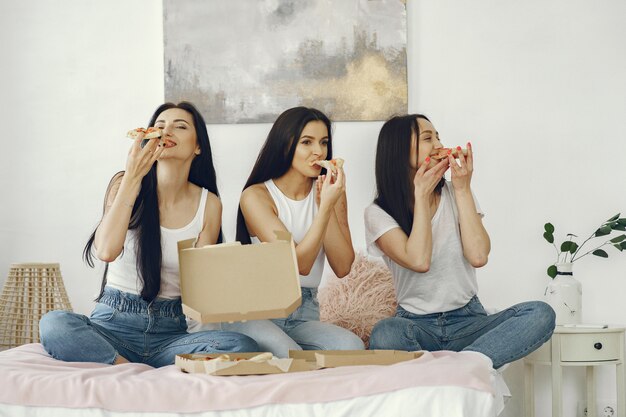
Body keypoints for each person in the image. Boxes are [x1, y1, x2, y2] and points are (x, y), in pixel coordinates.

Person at [39, 102, 258, 367]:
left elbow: (198, 290)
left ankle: (123, 367)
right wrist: (133, 177)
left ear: (198, 146)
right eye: (160, 126)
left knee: (241, 344)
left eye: (180, 126)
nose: (167, 132)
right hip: (112, 327)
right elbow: (106, 251)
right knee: (54, 323)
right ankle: (125, 367)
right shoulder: (124, 182)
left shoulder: (209, 204)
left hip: (170, 335)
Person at [365, 114, 555, 369]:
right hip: (416, 326)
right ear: (399, 150)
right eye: (427, 138)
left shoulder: (457, 193)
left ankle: (459, 367)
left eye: (438, 136)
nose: (438, 144)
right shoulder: (378, 213)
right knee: (385, 333)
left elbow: (478, 256)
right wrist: (420, 195)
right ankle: (466, 366)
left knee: (541, 313)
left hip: (469, 320)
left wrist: (463, 189)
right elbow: (419, 261)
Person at [223, 106, 365, 356]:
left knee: (351, 347)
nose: (318, 151)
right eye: (307, 142)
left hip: (305, 311)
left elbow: (343, 267)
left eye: (323, 142)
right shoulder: (257, 196)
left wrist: (328, 204)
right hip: (258, 313)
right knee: (289, 355)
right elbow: (298, 264)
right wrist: (324, 209)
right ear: (285, 145)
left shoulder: (329, 193)